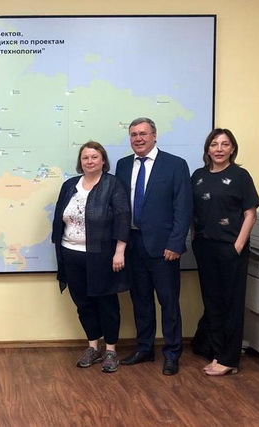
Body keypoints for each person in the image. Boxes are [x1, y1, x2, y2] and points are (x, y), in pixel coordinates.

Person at [114, 117, 192, 376]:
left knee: (168, 302)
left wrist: (176, 243)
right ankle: (144, 348)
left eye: (143, 134)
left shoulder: (175, 165)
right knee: (141, 301)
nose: (138, 138)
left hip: (164, 248)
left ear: (154, 136)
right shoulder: (123, 165)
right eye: (134, 134)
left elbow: (183, 208)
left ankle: (172, 353)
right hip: (134, 245)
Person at [52, 141, 131, 373]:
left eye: (94, 157)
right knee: (83, 303)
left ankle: (111, 350)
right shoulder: (69, 186)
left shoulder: (112, 184)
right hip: (71, 253)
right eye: (85, 157)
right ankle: (93, 347)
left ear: (103, 160)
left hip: (102, 255)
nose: (90, 161)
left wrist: (119, 252)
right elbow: (60, 218)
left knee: (106, 303)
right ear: (80, 161)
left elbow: (123, 218)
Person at [190, 128, 259, 376]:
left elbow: (250, 214)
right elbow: (193, 211)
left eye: (225, 144)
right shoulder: (198, 176)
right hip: (204, 247)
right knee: (212, 302)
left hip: (230, 248)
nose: (219, 149)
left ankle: (229, 359)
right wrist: (194, 237)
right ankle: (216, 351)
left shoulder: (240, 176)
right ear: (207, 149)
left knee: (231, 304)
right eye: (214, 144)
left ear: (232, 149)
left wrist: (238, 245)